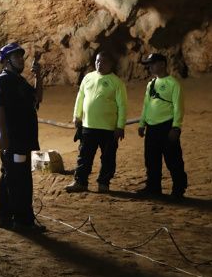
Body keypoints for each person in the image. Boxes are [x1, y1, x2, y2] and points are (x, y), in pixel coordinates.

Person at [0, 42, 45, 232]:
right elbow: (0, 109)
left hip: (24, 139)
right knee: (17, 178)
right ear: (6, 61)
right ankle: (21, 220)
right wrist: (4, 136)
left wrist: (39, 76)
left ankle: (6, 217)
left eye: (22, 57)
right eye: (17, 57)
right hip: (14, 140)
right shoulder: (3, 80)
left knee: (13, 176)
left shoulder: (20, 81)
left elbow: (37, 98)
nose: (21, 60)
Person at [65, 51, 127, 194]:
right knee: (84, 156)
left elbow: (122, 106)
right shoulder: (88, 78)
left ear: (111, 64)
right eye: (98, 61)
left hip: (109, 128)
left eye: (104, 62)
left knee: (108, 158)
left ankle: (104, 183)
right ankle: (80, 181)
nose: (99, 64)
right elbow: (80, 97)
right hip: (88, 126)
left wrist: (120, 126)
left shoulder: (116, 82)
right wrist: (77, 115)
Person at [137, 53, 187, 198]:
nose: (150, 67)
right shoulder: (151, 84)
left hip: (167, 126)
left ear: (163, 64)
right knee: (151, 160)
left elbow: (179, 107)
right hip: (152, 128)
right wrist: (142, 123)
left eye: (152, 64)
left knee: (173, 160)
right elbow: (146, 105)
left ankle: (178, 189)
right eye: (149, 64)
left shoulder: (173, 83)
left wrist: (176, 127)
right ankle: (153, 188)